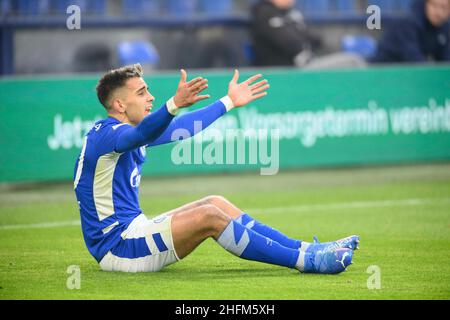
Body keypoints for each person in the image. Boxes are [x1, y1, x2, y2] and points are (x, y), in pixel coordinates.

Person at [73, 63, 359, 274]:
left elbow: (182, 128)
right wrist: (173, 104)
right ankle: (306, 262)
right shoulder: (106, 135)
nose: (150, 97)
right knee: (209, 216)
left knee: (216, 202)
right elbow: (140, 135)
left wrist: (229, 101)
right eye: (142, 92)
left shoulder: (130, 131)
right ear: (120, 104)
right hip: (119, 248)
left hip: (135, 231)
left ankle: (308, 249)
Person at [250, 0, 366, 69]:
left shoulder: (291, 13)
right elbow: (291, 42)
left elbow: (315, 39)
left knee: (353, 59)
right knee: (353, 61)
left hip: (307, 64)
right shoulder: (264, 12)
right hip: (285, 71)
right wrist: (303, 39)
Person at [371, 0, 450, 63]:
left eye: (444, 7)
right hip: (382, 72)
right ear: (426, 3)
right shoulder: (408, 23)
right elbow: (414, 59)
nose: (439, 12)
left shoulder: (445, 28)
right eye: (434, 5)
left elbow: (445, 62)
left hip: (407, 76)